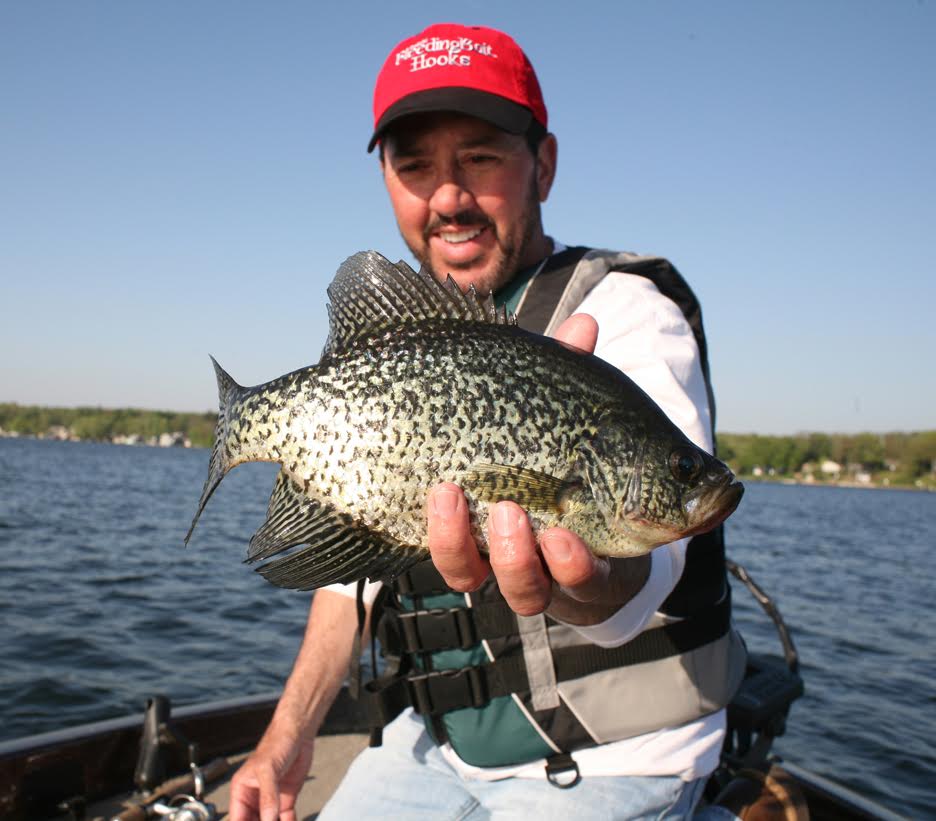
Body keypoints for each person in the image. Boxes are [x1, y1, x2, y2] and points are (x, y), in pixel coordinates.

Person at [229, 23, 747, 821]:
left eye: (479, 157)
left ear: (542, 162)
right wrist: (287, 732)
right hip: (446, 749)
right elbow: (347, 581)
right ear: (386, 180)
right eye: (415, 166)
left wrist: (589, 581)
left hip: (618, 759)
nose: (447, 197)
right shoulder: (399, 351)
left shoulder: (625, 314)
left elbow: (657, 568)